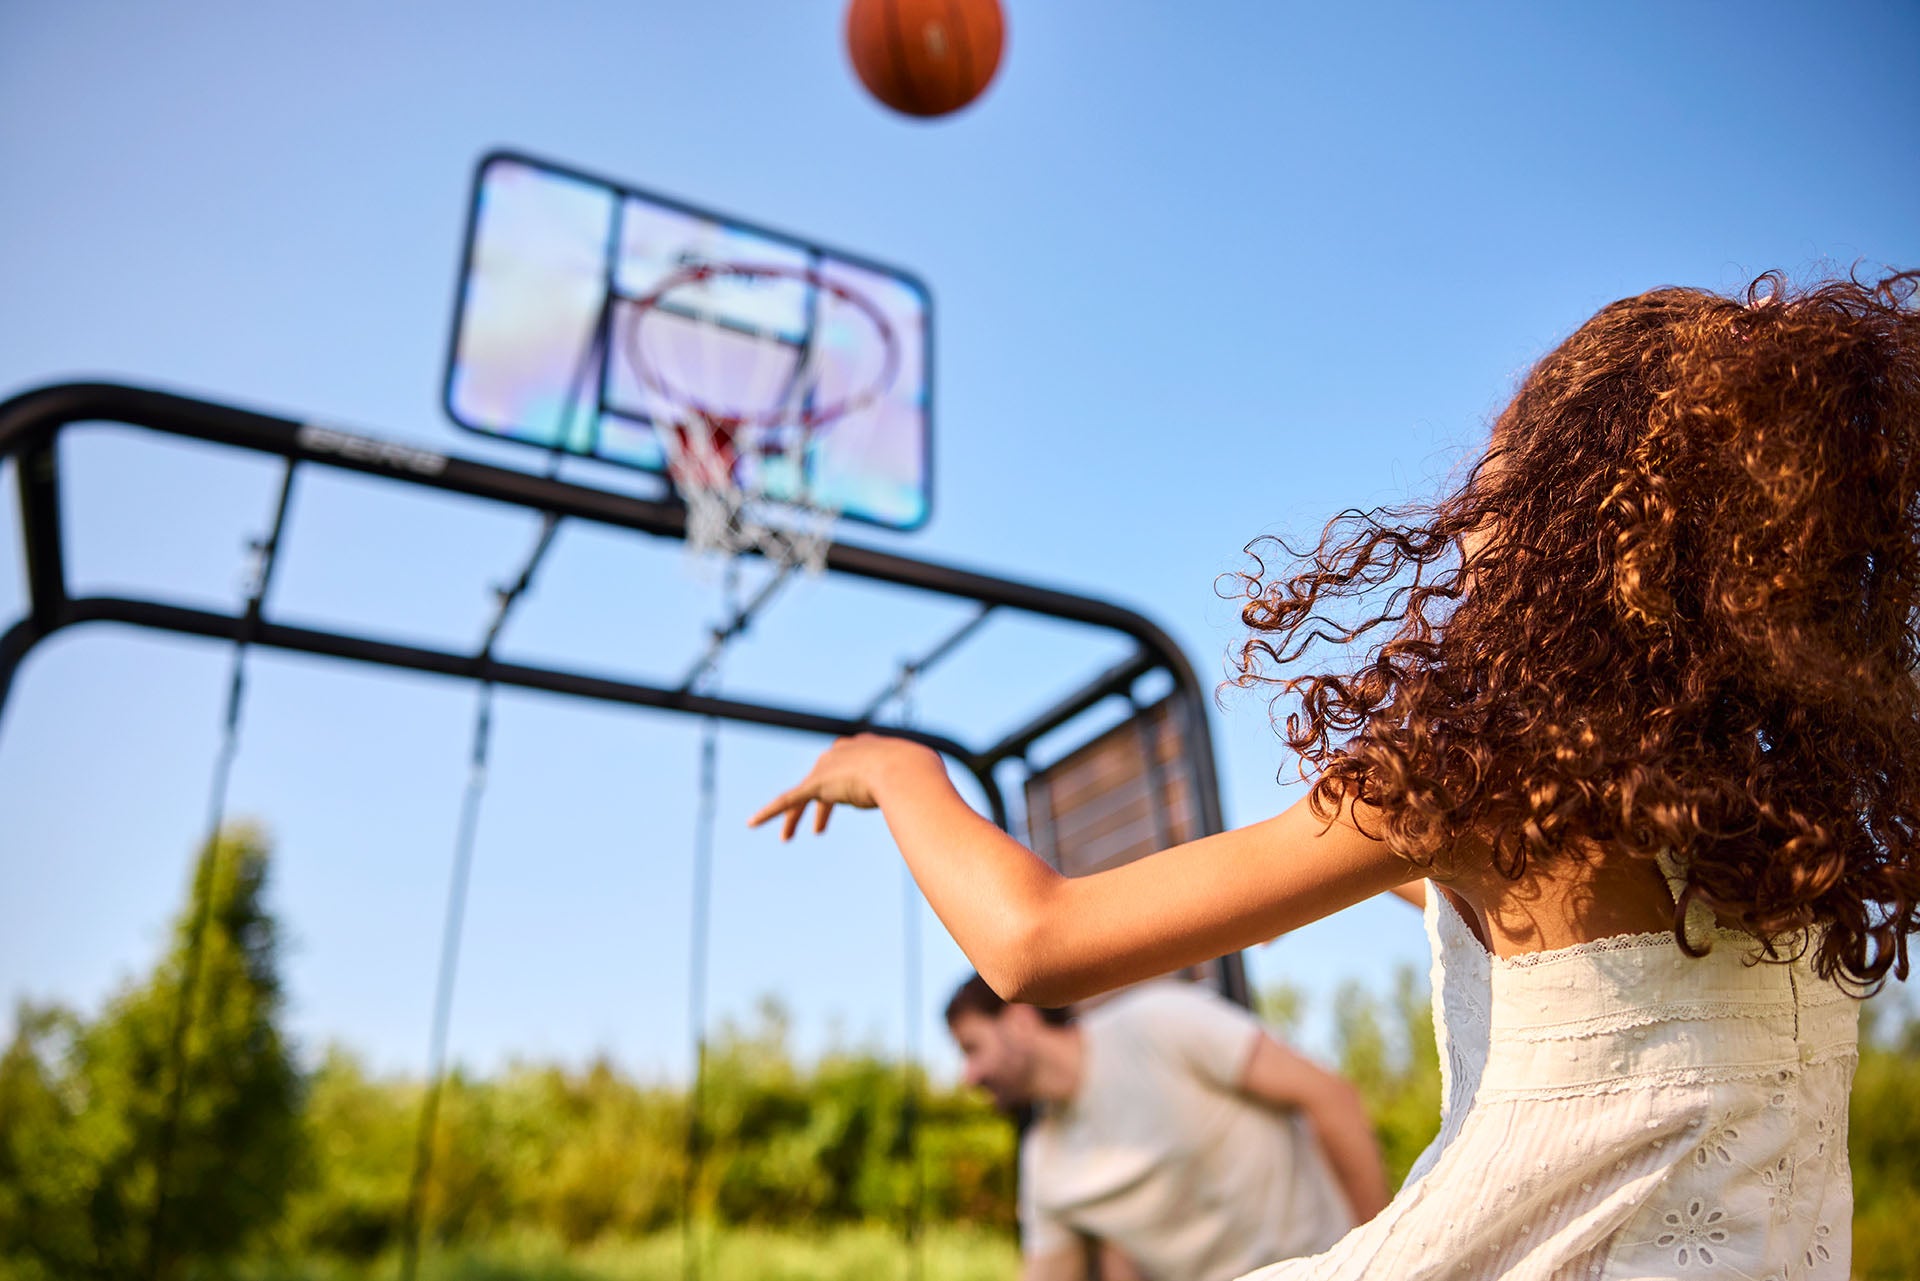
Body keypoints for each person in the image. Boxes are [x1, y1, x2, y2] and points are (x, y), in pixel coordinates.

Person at [751, 271, 1919, 1278]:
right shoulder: (1797, 843)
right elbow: (1568, 967)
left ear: (1557, 517)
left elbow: (1034, 942)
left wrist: (898, 768)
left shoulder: (1473, 791)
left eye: (1498, 467)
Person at [945, 972, 1382, 1281]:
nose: (968, 1077)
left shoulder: (1157, 1022)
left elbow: (1330, 1097)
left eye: (972, 1048)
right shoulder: (1044, 1164)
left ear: (1020, 1022)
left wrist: (1381, 1255)